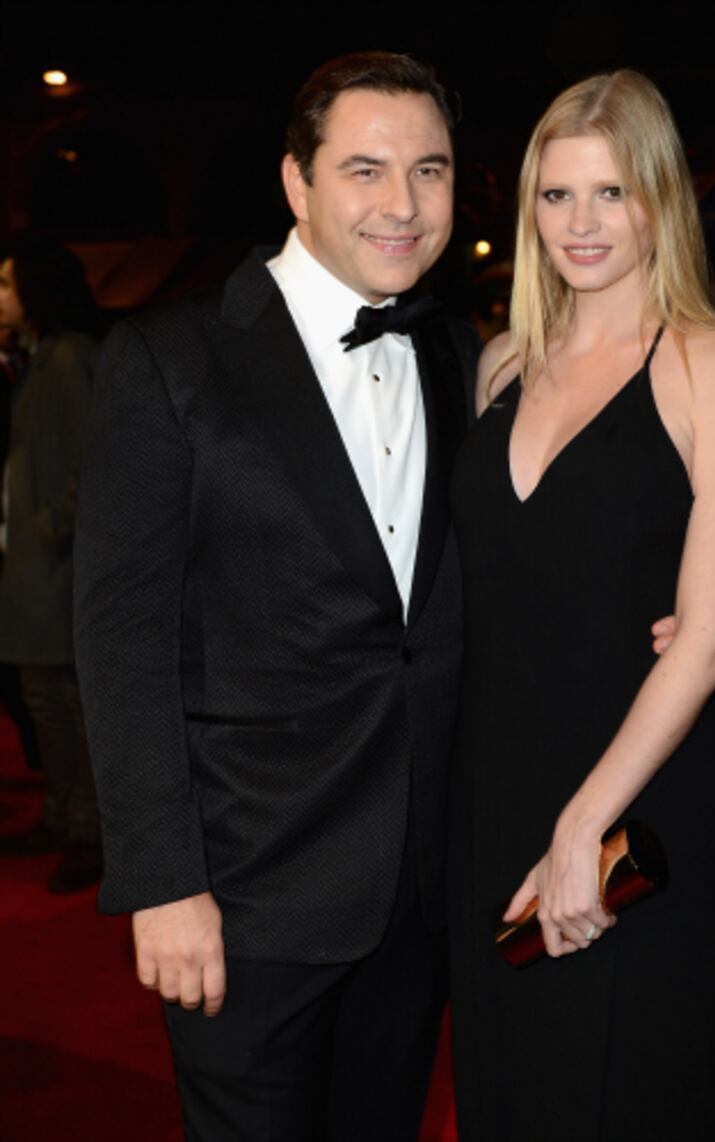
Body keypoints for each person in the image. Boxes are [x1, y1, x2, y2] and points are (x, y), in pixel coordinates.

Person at [74, 52, 480, 1141]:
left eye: (430, 170)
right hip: (247, 889)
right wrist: (162, 882)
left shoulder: (459, 351)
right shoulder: (169, 355)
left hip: (420, 885)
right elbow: (119, 641)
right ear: (297, 182)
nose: (403, 204)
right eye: (365, 169)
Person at [448, 70, 715, 1141]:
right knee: (510, 1084)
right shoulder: (500, 365)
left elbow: (706, 637)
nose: (579, 224)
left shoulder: (714, 367)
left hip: (630, 790)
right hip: (490, 787)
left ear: (657, 200)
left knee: (626, 1086)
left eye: (609, 193)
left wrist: (581, 824)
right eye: (556, 195)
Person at [0, 235, 102, 893]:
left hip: (58, 565)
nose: (1, 296)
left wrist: (49, 526)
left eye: (8, 284)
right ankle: (66, 820)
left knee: (69, 705)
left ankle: (88, 831)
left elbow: (93, 457)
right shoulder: (46, 357)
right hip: (39, 561)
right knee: (50, 703)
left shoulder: (68, 358)